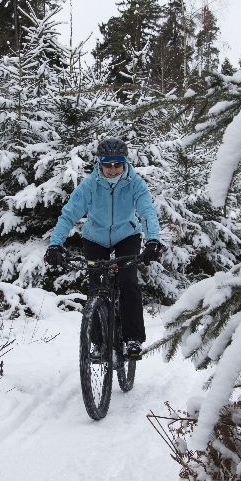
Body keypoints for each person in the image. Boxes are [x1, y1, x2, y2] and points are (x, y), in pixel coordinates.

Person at [44, 137, 163, 360]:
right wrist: (55, 244)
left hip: (127, 235)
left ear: (124, 163)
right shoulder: (89, 185)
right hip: (95, 238)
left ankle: (132, 338)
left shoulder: (135, 183)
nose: (112, 169)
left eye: (117, 164)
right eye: (107, 164)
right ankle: (98, 343)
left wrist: (153, 240)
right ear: (100, 164)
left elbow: (147, 212)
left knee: (127, 280)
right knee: (96, 286)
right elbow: (69, 215)